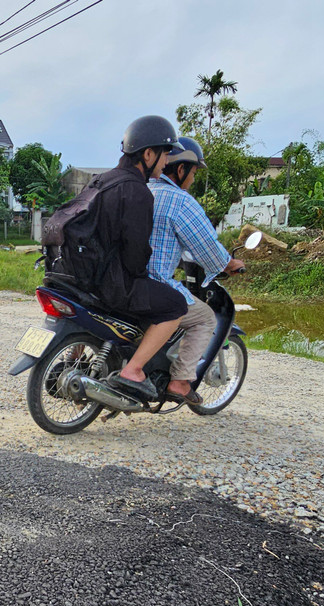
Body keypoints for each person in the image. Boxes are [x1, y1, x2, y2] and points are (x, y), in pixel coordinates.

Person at [89, 115, 189, 400]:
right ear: (147, 153)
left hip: (85, 277)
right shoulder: (138, 192)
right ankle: (133, 369)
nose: (166, 161)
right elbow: (135, 256)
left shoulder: (100, 181)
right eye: (165, 153)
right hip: (113, 284)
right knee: (175, 304)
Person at [147, 137, 246, 404]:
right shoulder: (180, 201)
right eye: (192, 173)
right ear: (180, 170)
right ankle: (180, 382)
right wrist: (229, 264)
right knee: (204, 318)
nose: (192, 180)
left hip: (123, 279)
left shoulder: (140, 190)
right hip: (153, 283)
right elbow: (206, 245)